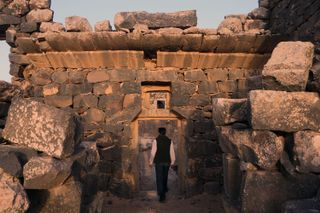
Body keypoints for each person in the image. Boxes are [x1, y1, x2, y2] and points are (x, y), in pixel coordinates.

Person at [149, 127, 176, 203]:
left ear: (159, 132)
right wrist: (173, 161)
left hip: (159, 162)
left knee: (159, 177)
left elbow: (153, 152)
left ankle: (161, 195)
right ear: (165, 132)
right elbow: (172, 152)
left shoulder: (156, 140)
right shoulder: (169, 141)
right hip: (167, 161)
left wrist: (151, 161)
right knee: (165, 177)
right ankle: (164, 190)